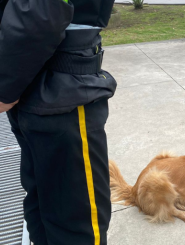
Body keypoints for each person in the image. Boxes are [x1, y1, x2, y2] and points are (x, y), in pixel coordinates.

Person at [0, 0, 116, 244]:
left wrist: (6, 85)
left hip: (50, 83)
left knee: (55, 206)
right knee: (59, 210)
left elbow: (40, 11)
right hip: (47, 86)